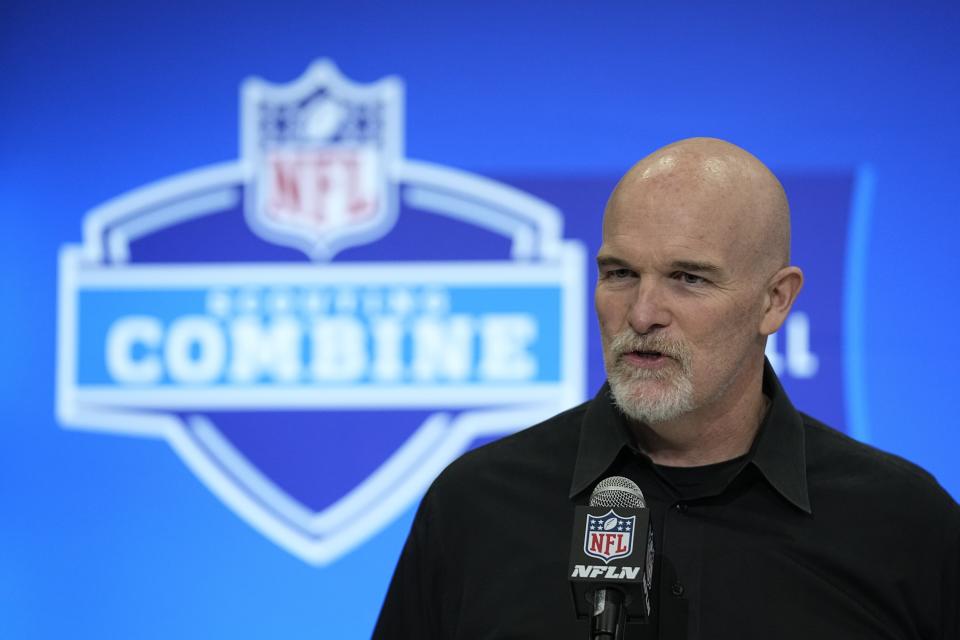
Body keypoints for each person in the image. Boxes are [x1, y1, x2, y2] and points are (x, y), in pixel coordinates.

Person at [372, 138, 960, 639]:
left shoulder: (904, 524)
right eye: (619, 273)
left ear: (775, 300)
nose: (643, 312)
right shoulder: (476, 507)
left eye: (688, 278)